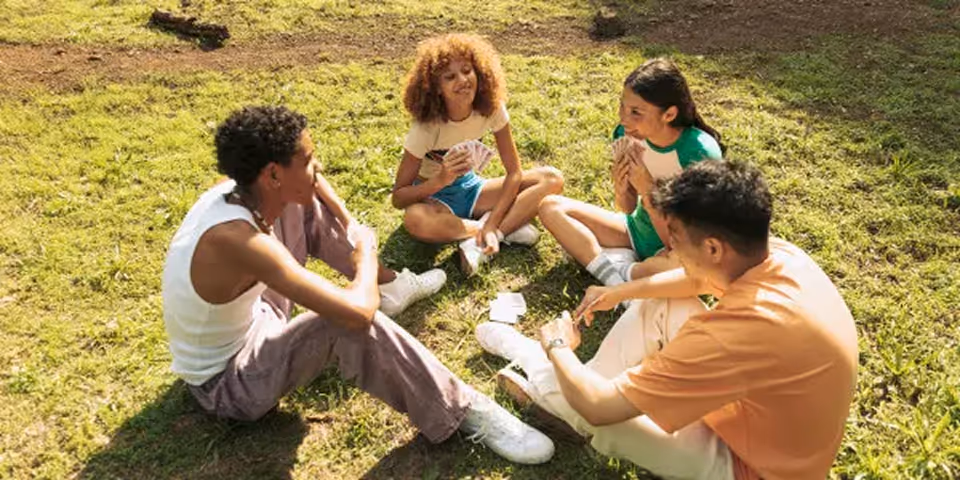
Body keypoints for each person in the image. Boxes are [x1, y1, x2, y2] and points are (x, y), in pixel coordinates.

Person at [161, 105, 555, 464]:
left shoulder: (244, 191)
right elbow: (356, 313)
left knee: (306, 205)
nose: (317, 167)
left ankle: (392, 288)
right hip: (231, 381)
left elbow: (316, 187)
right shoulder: (237, 240)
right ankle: (464, 409)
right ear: (274, 174)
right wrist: (364, 254)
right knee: (347, 323)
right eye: (309, 160)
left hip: (259, 317)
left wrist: (349, 225)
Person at [476, 161, 858, 479]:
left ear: (712, 247)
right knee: (657, 302)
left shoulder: (733, 335)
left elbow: (599, 407)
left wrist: (557, 346)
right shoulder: (777, 255)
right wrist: (619, 292)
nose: (668, 247)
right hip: (766, 424)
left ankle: (536, 367)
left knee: (595, 413)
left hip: (751, 468)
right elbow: (697, 278)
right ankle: (565, 387)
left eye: (675, 239)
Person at [539, 58, 723, 287]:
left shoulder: (699, 152)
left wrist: (648, 191)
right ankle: (618, 277)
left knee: (691, 269)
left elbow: (680, 242)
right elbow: (627, 208)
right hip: (635, 232)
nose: (624, 119)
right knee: (550, 207)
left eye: (636, 112)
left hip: (678, 248)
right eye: (622, 107)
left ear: (669, 114)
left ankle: (621, 268)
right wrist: (621, 187)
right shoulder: (626, 136)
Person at [392, 33, 564, 276]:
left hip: (473, 189)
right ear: (436, 88)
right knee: (414, 219)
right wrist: (440, 180)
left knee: (551, 179)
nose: (462, 80)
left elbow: (514, 172)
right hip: (434, 200)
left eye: (466, 70)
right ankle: (502, 229)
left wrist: (493, 225)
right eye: (450, 77)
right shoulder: (426, 128)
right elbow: (398, 197)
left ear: (479, 72)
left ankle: (493, 232)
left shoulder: (491, 108)